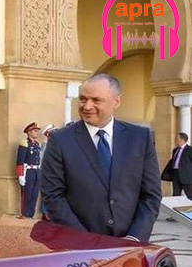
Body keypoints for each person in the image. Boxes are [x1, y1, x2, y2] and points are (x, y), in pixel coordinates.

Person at [41, 73, 161, 243]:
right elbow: (53, 195)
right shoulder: (60, 141)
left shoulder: (139, 138)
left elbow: (151, 195)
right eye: (83, 99)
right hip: (79, 248)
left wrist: (135, 237)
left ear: (116, 101)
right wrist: (85, 239)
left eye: (96, 100)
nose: (87, 106)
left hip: (130, 247)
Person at [16, 122, 42, 218]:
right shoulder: (24, 143)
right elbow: (20, 161)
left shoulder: (37, 144)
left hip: (36, 172)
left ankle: (31, 214)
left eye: (37, 131)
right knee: (27, 194)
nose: (37, 133)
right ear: (29, 132)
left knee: (34, 195)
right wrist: (21, 175)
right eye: (35, 131)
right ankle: (24, 214)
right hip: (28, 172)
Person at [161, 132, 192, 198]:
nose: (175, 140)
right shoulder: (175, 150)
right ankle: (175, 207)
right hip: (175, 174)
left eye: (177, 138)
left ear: (182, 139)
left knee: (189, 194)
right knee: (176, 194)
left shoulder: (190, 149)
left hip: (186, 176)